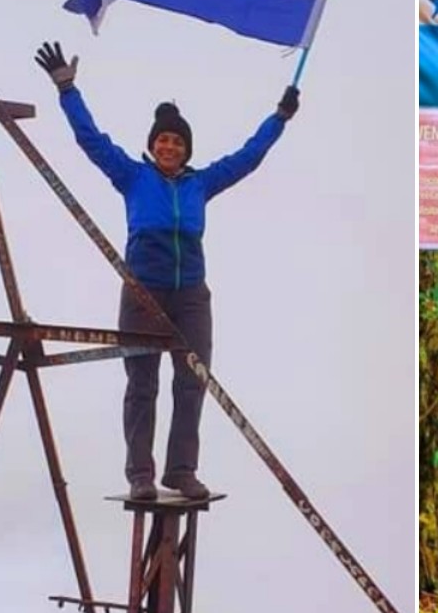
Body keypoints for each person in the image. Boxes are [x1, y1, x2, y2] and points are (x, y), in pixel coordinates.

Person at [34, 41, 298, 502]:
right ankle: (141, 475)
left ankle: (181, 471)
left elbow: (249, 156)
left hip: (191, 295)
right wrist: (67, 90)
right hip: (142, 291)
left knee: (191, 380)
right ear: (152, 145)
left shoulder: (202, 182)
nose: (169, 146)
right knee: (142, 385)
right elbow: (91, 141)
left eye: (177, 141)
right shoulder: (132, 176)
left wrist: (278, 118)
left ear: (186, 149)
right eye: (162, 140)